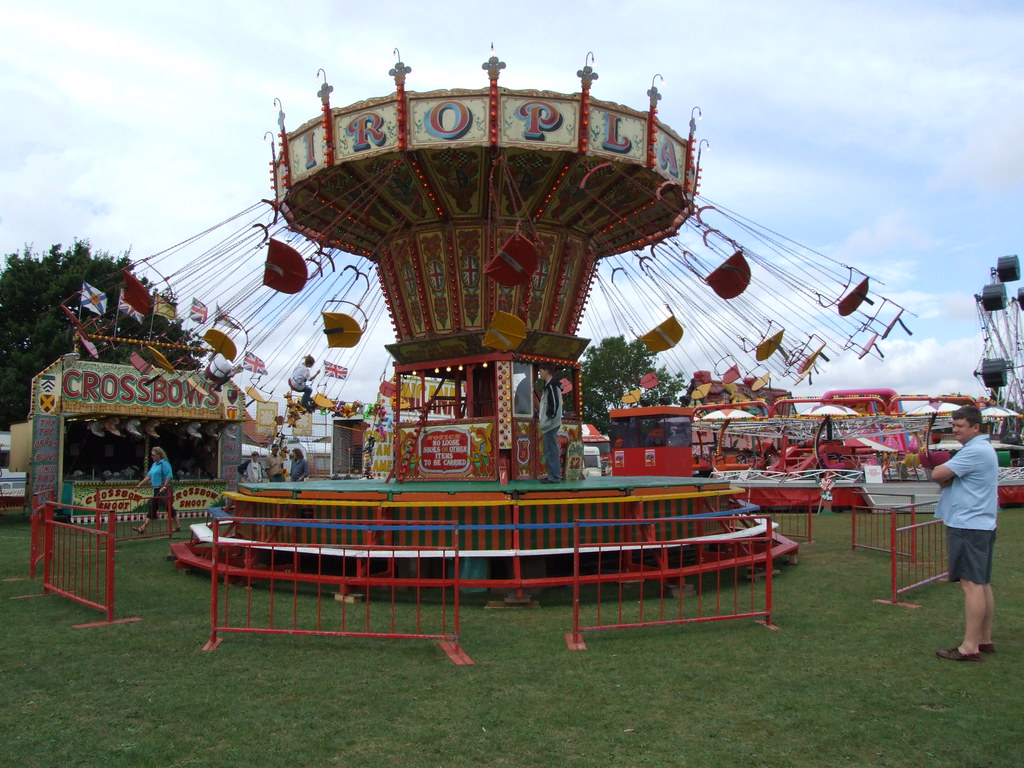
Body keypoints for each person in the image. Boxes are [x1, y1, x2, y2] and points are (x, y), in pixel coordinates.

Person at [931, 405, 999, 661]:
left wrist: (943, 476)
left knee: (971, 585)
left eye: (960, 426)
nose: (955, 430)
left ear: (975, 427)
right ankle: (984, 638)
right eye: (954, 425)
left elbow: (938, 473)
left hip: (968, 525)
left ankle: (969, 647)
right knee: (981, 583)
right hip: (981, 523)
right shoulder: (983, 450)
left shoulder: (974, 451)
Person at [133, 446, 178, 534]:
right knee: (156, 507)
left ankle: (142, 528)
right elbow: (148, 476)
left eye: (153, 455)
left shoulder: (164, 464)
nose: (152, 457)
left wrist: (164, 486)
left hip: (164, 489)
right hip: (156, 489)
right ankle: (142, 528)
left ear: (159, 455)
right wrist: (139, 485)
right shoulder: (154, 465)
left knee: (165, 506)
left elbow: (169, 476)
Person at [537, 363, 563, 483]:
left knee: (551, 449)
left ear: (547, 371)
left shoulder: (551, 386)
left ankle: (554, 477)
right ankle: (553, 475)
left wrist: (549, 417)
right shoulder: (551, 385)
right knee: (549, 449)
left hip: (550, 423)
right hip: (549, 423)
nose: (540, 372)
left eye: (541, 370)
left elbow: (554, 404)